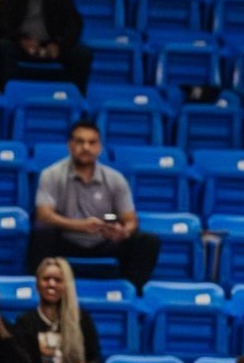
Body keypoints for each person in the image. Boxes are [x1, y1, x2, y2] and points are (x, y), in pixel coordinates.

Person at [29, 120, 158, 289]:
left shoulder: (115, 179)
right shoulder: (51, 175)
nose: (86, 147)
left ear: (100, 147)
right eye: (80, 142)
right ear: (70, 145)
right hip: (66, 239)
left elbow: (130, 219)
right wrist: (78, 226)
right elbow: (44, 214)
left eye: (92, 142)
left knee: (147, 241)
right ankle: (39, 290)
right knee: (41, 233)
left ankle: (130, 292)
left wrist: (123, 230)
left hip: (103, 241)